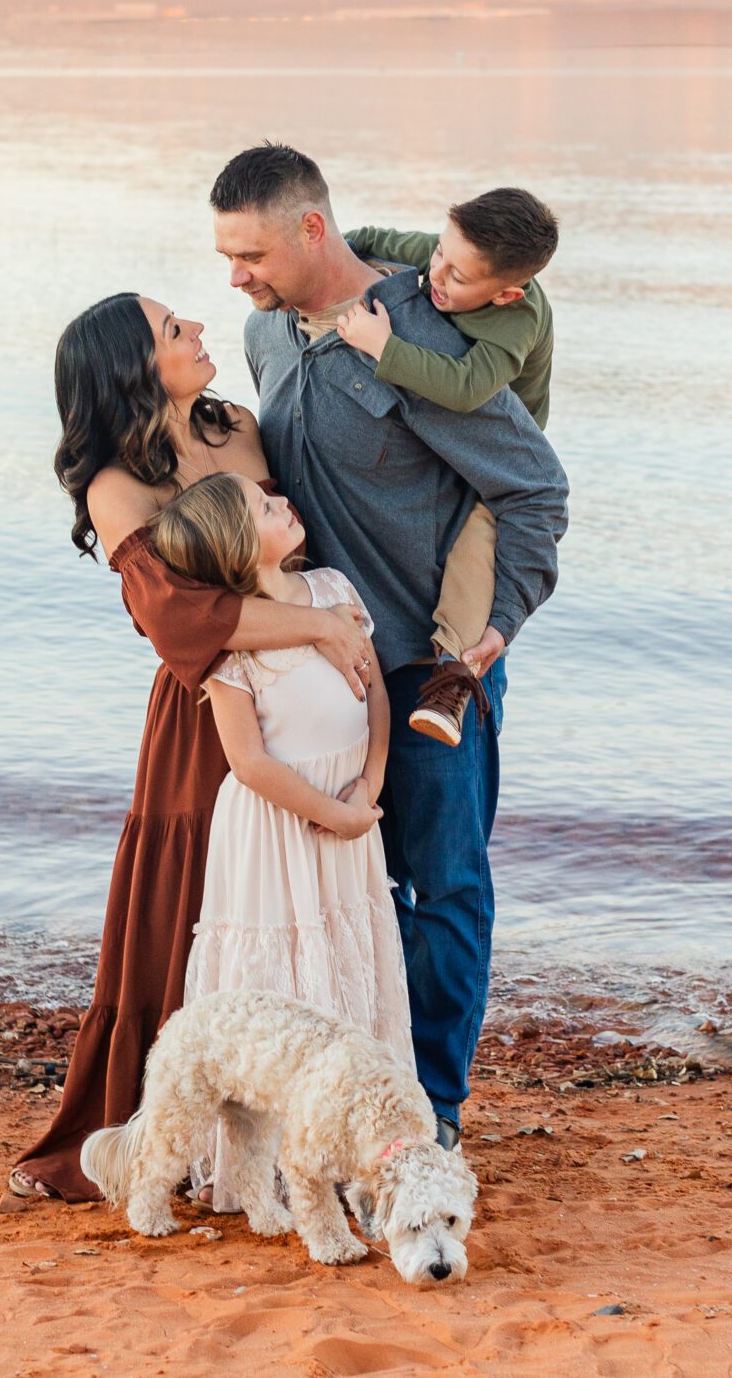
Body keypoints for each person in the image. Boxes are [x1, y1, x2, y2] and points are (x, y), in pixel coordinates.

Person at [212, 143, 569, 1149]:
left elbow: (532, 486)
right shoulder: (265, 334)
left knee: (443, 888)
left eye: (251, 254)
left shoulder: (426, 337)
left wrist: (497, 629)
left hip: (426, 668)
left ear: (310, 231)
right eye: (227, 255)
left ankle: (432, 1112)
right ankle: (336, 1096)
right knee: (331, 896)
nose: (236, 277)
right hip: (313, 674)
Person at [5, 293, 375, 1205]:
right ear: (134, 365)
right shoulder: (115, 482)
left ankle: (308, 1124)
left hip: (300, 702)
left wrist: (335, 631)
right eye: (175, 330)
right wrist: (316, 627)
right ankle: (160, 1133)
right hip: (211, 709)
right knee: (194, 905)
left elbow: (287, 544)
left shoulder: (240, 426)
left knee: (299, 903)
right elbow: (175, 615)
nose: (200, 330)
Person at [146, 471, 412, 1209]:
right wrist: (325, 811)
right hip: (277, 826)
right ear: (238, 547)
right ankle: (265, 1175)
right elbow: (249, 762)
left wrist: (370, 786)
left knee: (345, 959)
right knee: (280, 980)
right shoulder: (233, 645)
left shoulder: (332, 590)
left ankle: (354, 1144)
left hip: (349, 812)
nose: (284, 502)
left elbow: (376, 689)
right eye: (265, 508)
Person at [331, 188, 560, 747]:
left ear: (505, 294)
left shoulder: (516, 323)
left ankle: (454, 675)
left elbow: (464, 389)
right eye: (439, 255)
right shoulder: (443, 255)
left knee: (475, 548)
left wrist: (382, 347)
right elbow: (377, 241)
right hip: (442, 445)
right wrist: (339, 256)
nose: (437, 273)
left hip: (492, 458)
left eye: (458, 277)